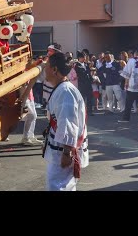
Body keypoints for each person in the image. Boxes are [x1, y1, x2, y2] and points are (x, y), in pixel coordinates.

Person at [42, 52, 89, 191]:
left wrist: (67, 152)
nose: (45, 69)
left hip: (63, 149)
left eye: (47, 66)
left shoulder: (66, 91)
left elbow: (69, 123)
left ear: (54, 69)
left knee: (58, 186)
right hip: (59, 146)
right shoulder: (62, 88)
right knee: (61, 184)